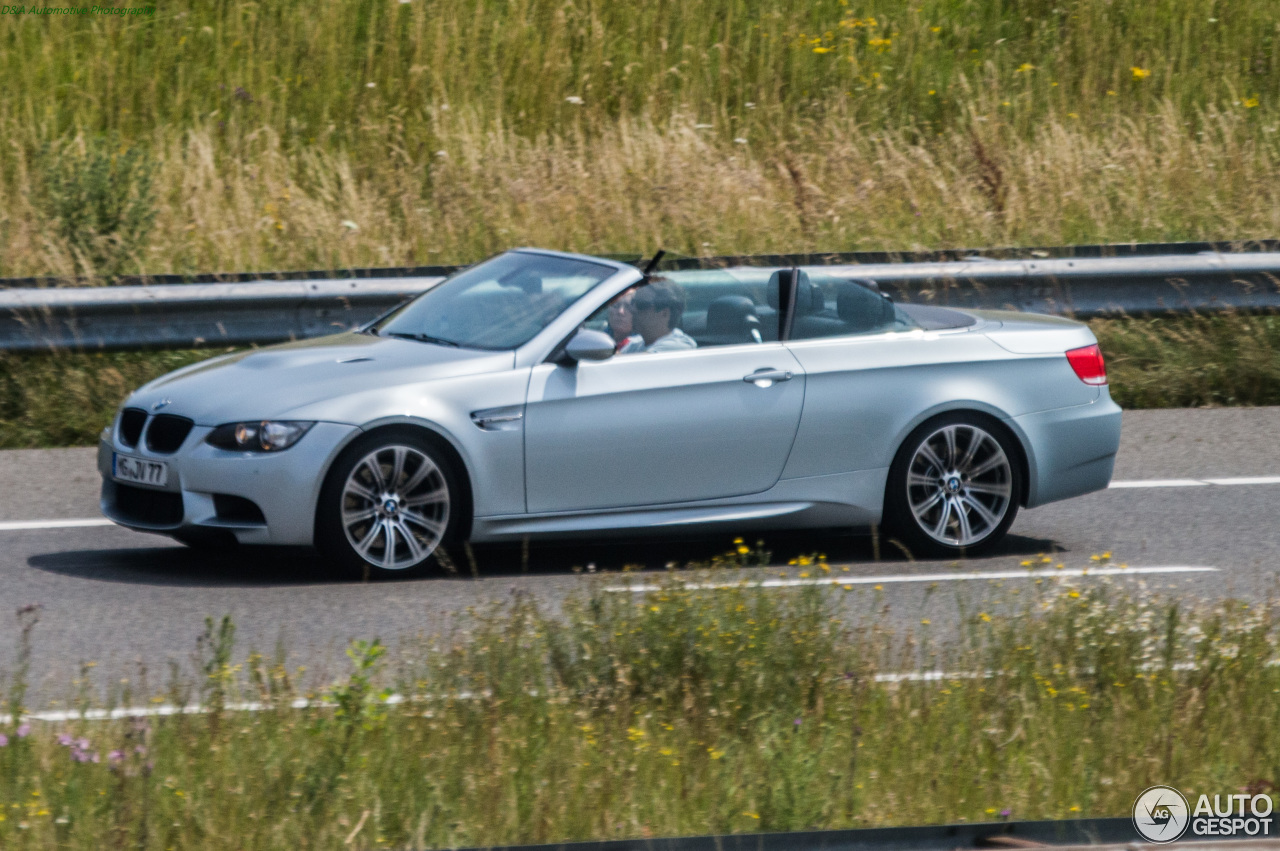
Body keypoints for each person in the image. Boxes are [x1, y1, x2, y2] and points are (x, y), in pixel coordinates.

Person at [630, 278, 697, 352]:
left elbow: (639, 362)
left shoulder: (678, 345)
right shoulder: (635, 344)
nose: (633, 309)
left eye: (641, 305)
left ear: (664, 313)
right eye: (633, 302)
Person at [604, 287, 645, 353]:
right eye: (616, 305)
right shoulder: (600, 337)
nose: (620, 311)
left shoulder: (641, 345)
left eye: (628, 307)